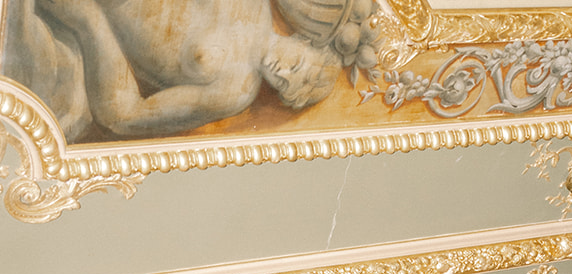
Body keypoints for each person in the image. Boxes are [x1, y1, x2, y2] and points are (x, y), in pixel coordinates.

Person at [12, 0, 339, 141]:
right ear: (300, 39)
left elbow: (125, 116)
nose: (280, 70)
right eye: (295, 63)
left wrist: (89, 24)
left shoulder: (235, 90)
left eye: (284, 82)